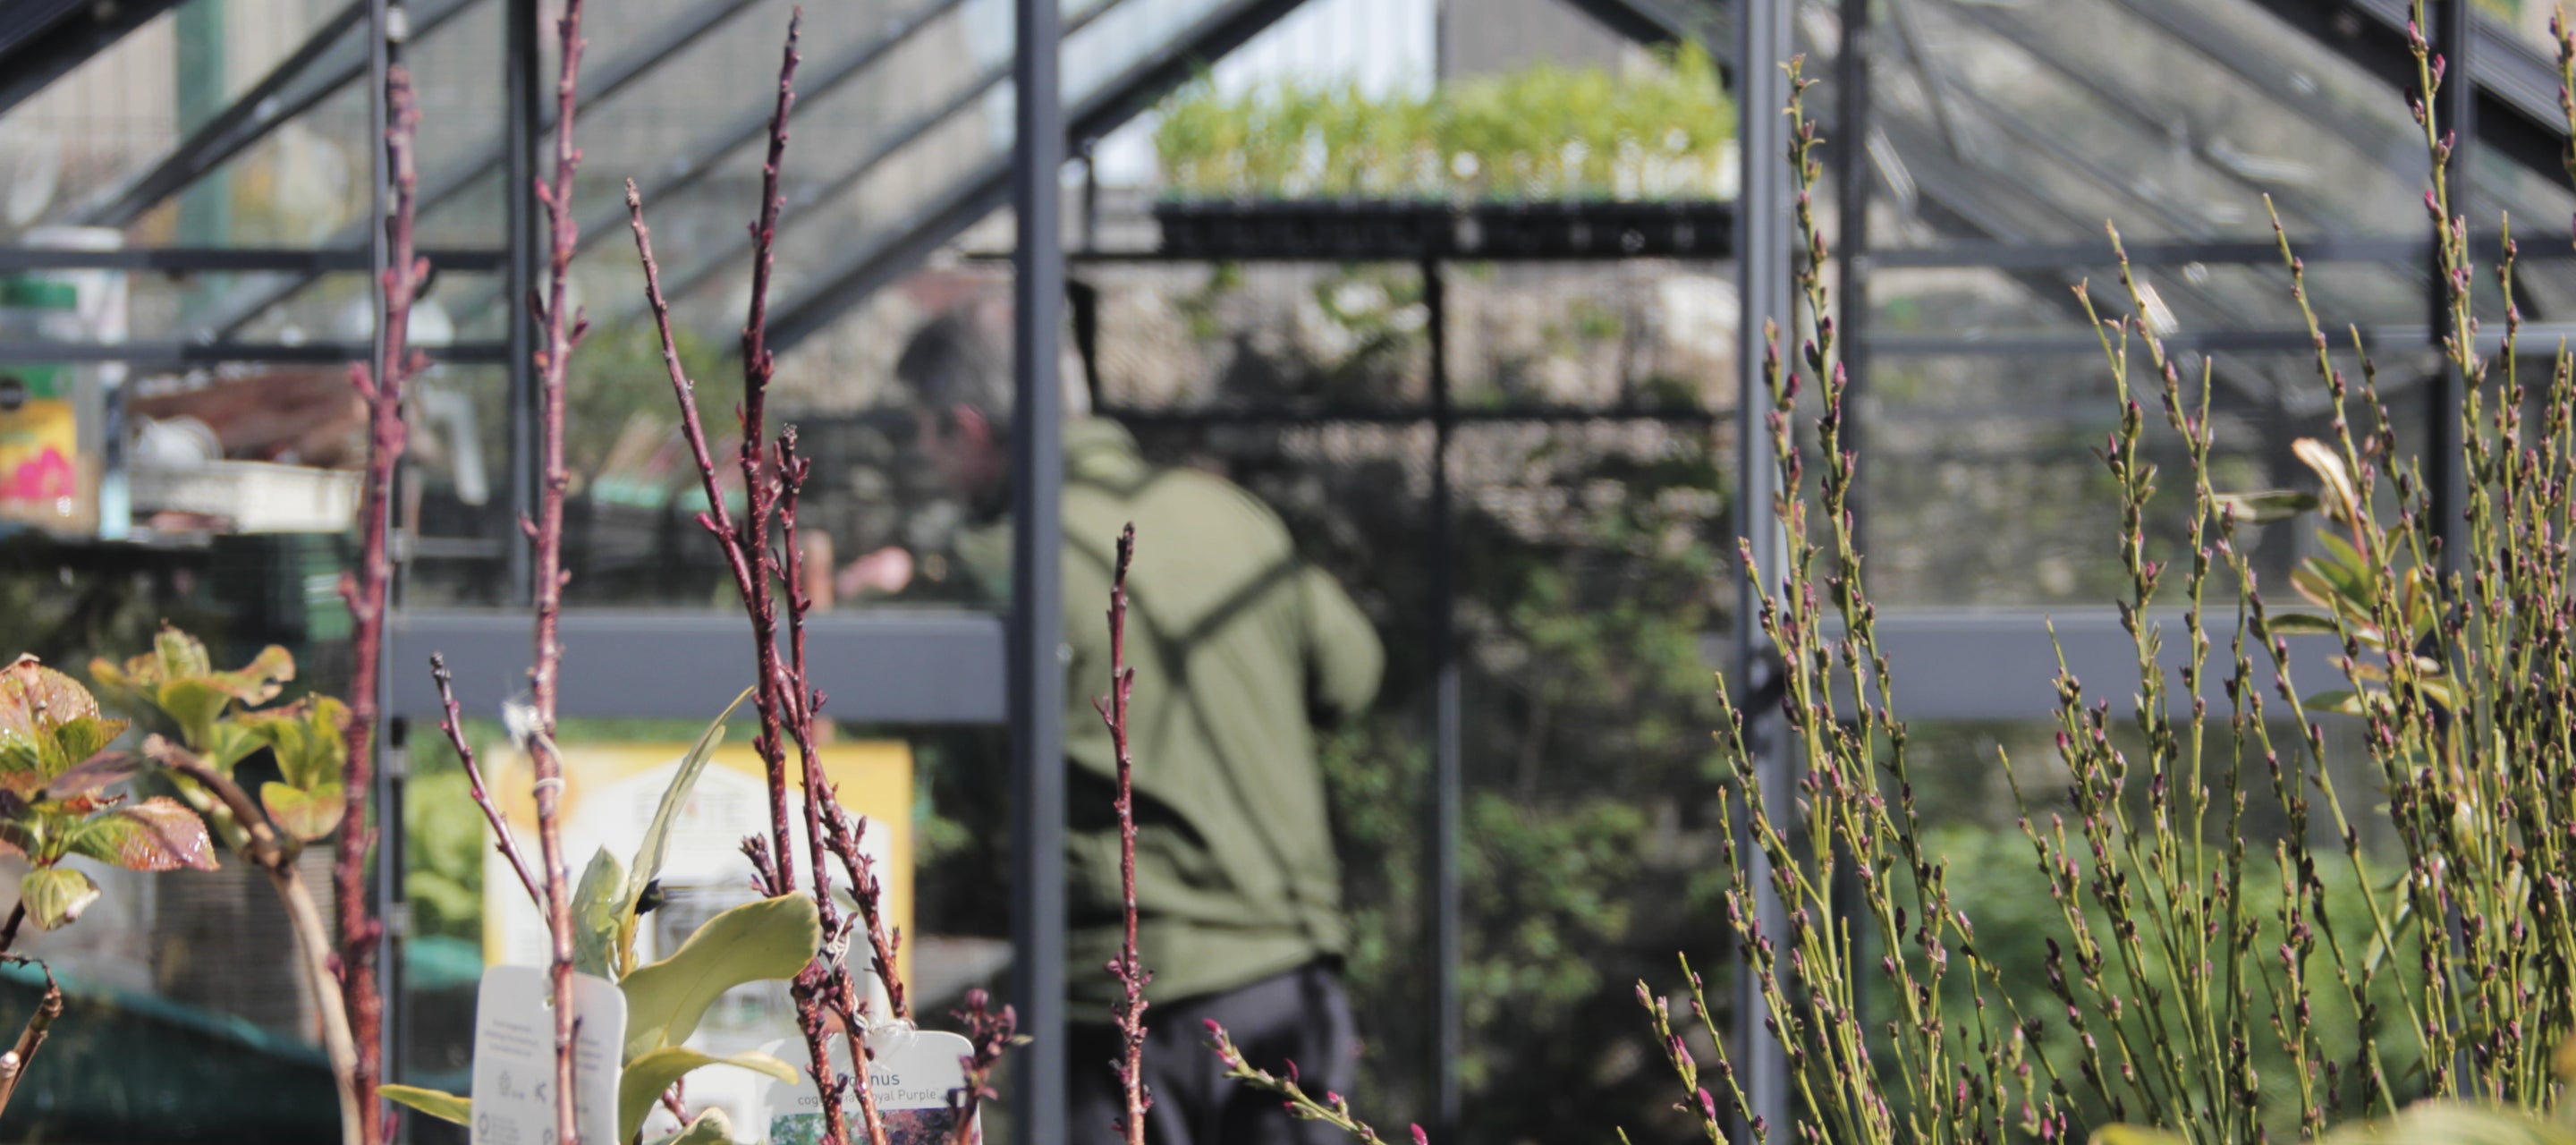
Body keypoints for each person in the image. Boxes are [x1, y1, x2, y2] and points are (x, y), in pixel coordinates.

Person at [857, 301, 1385, 1145]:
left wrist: (878, 605)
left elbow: (942, 762)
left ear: (966, 428)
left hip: (1117, 999)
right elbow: (1354, 677)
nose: (925, 456)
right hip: (1284, 974)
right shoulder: (1231, 516)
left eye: (925, 433)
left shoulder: (994, 563)